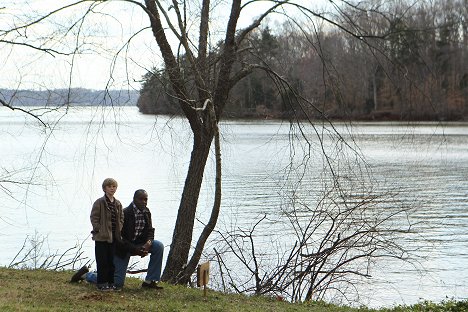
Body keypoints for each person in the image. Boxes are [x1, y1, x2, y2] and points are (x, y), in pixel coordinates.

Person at [71, 189, 164, 290]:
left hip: (139, 244)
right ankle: (87, 275)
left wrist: (148, 243)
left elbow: (150, 230)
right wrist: (135, 250)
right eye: (141, 199)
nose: (144, 202)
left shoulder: (147, 212)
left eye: (146, 199)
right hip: (122, 249)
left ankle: (150, 282)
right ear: (134, 199)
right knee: (117, 283)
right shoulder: (124, 213)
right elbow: (119, 238)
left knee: (158, 246)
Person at [89, 178, 123, 291]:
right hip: (101, 237)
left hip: (113, 237)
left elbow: (121, 218)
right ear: (104, 188)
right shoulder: (99, 202)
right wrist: (98, 229)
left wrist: (119, 228)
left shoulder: (118, 203)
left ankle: (111, 282)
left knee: (111, 261)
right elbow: (94, 217)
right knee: (102, 261)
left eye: (114, 186)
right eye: (109, 186)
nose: (112, 188)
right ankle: (102, 283)